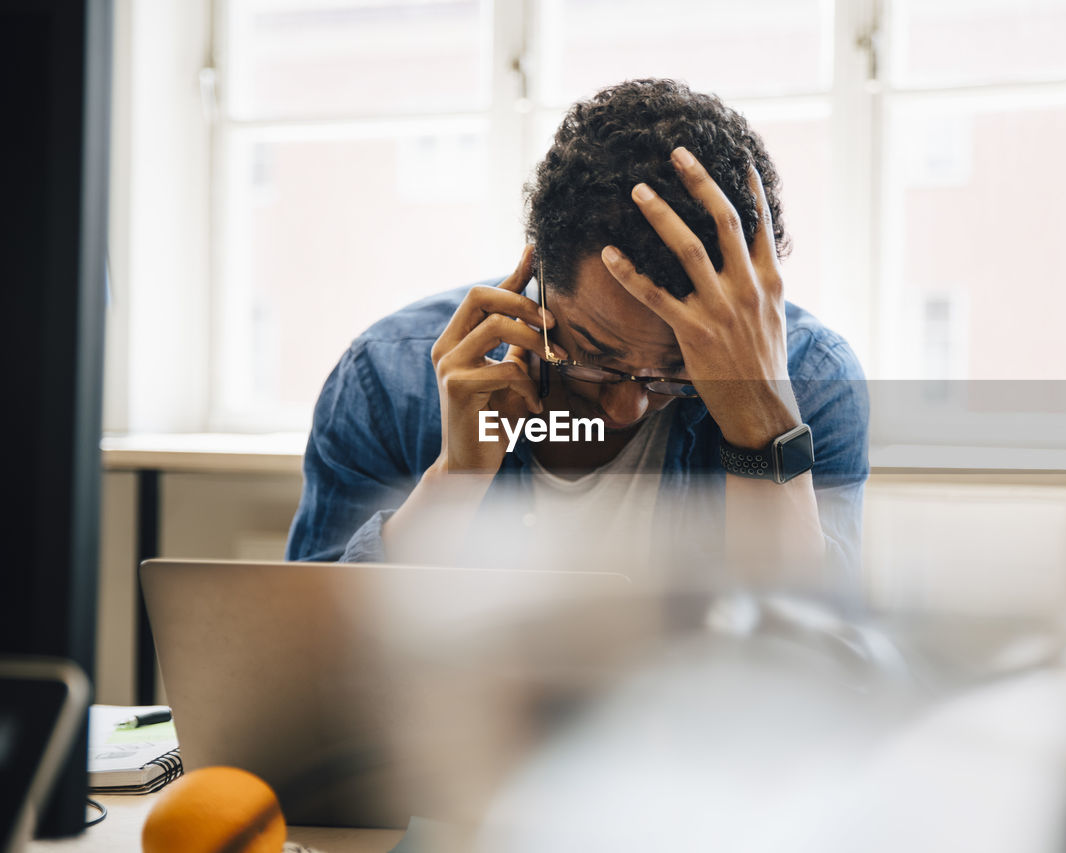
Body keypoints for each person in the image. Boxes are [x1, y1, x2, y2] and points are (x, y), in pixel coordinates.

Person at [286, 79, 869, 605]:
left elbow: (812, 672)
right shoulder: (385, 379)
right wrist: (455, 478)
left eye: (678, 369)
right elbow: (308, 660)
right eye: (596, 356)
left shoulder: (815, 380)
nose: (626, 406)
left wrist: (761, 424)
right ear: (539, 274)